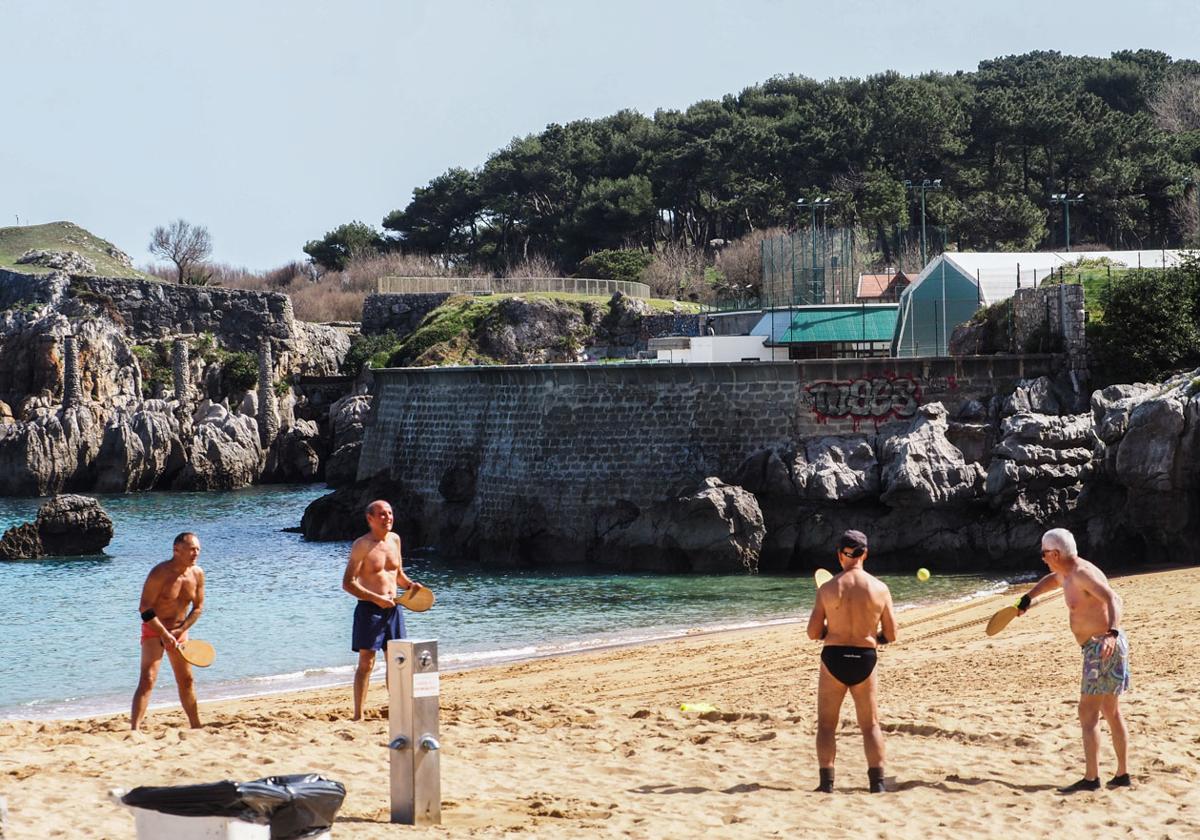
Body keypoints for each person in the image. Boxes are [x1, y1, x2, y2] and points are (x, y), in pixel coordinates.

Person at [1015, 528, 1130, 793]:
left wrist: (1111, 634)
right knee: (1110, 711)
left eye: (1044, 554)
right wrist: (1028, 597)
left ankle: (1091, 779)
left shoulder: (1081, 574)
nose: (1042, 558)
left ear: (1055, 553)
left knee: (1088, 713)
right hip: (1102, 647)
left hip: (1101, 648)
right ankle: (1122, 775)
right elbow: (1051, 580)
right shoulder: (1067, 572)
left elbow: (1113, 598)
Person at [805, 529, 898, 793]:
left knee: (826, 725)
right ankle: (877, 784)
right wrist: (873, 638)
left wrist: (829, 633)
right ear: (865, 553)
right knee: (870, 725)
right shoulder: (880, 588)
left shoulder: (828, 588)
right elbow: (891, 634)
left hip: (834, 657)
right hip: (865, 658)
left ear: (839, 555)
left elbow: (813, 632)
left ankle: (826, 785)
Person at [342, 499, 416, 721]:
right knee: (366, 663)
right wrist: (376, 598)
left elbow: (398, 575)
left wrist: (412, 586)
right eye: (382, 514)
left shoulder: (395, 540)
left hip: (394, 609)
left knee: (397, 661)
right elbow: (348, 583)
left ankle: (398, 709)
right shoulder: (361, 545)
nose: (388, 518)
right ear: (370, 518)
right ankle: (358, 715)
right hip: (369, 609)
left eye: (390, 513)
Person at [131, 532, 206, 730]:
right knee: (148, 679)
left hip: (179, 631)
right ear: (176, 550)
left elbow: (198, 608)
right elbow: (144, 609)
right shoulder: (160, 573)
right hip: (155, 630)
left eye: (198, 549)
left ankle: (196, 726)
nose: (196, 553)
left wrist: (180, 630)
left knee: (187, 680)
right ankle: (135, 729)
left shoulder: (197, 574)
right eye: (191, 549)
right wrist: (164, 634)